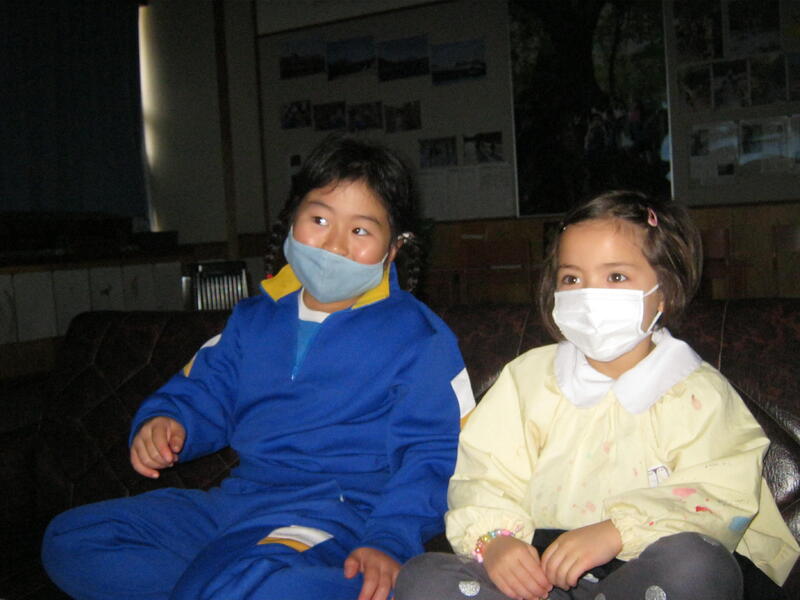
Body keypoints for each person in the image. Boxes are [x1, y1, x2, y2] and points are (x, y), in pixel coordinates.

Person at [42, 135, 475, 600]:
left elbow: (435, 454)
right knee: (72, 539)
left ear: (394, 248)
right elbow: (205, 387)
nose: (334, 245)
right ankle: (220, 587)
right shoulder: (253, 318)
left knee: (254, 579)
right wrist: (169, 421)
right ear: (291, 220)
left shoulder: (420, 338)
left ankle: (236, 584)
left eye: (361, 231)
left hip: (332, 516)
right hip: (235, 505)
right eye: (319, 219)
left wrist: (389, 538)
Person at [396, 191, 799, 600]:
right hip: (541, 570)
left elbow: (718, 493)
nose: (588, 296)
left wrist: (618, 531)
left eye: (616, 277)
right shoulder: (527, 379)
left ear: (664, 291)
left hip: (649, 568)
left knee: (696, 566)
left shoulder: (698, 393)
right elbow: (484, 474)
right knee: (421, 578)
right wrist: (496, 542)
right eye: (572, 279)